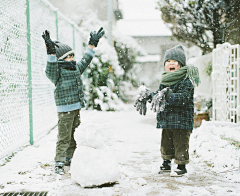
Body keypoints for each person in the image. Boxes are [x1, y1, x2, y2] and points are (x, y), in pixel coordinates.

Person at [42, 27, 105, 175]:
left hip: (76, 108)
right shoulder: (57, 72)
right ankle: (59, 161)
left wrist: (92, 44)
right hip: (65, 110)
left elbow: (86, 60)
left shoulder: (75, 68)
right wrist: (51, 53)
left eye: (72, 55)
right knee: (64, 136)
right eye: (68, 56)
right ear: (60, 59)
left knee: (74, 135)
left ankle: (70, 158)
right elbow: (50, 69)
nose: (72, 58)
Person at [134, 45, 200, 177]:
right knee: (166, 142)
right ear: (165, 65)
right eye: (168, 61)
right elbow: (159, 96)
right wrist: (149, 96)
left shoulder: (186, 81)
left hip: (181, 120)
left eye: (174, 61)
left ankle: (181, 165)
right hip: (167, 119)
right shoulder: (164, 81)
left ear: (181, 65)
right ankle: (166, 162)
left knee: (181, 143)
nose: (171, 63)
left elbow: (184, 98)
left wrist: (171, 96)